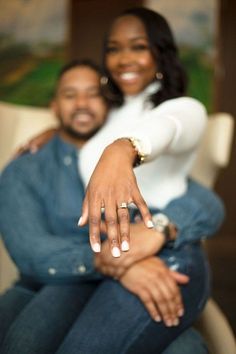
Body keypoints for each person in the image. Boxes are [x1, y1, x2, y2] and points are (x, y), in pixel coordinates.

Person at [0, 59, 222, 354]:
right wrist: (114, 263)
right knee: (22, 345)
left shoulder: (125, 159)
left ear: (109, 106)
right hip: (42, 284)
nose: (82, 103)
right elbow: (31, 252)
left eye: (93, 94)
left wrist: (160, 228)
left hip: (119, 289)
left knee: (187, 349)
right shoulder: (25, 168)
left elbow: (205, 202)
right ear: (54, 106)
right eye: (70, 95)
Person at [52, 7, 221, 353]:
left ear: (160, 53)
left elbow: (168, 128)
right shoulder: (107, 114)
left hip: (166, 251)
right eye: (114, 48)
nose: (124, 59)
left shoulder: (184, 108)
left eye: (138, 46)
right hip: (109, 254)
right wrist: (50, 134)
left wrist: (125, 150)